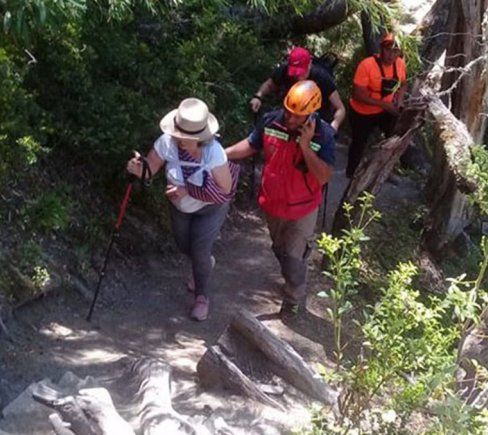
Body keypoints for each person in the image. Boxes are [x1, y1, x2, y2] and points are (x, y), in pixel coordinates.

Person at [227, 80, 335, 315]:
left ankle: (294, 298)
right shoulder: (271, 120)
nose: (290, 118)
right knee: (279, 250)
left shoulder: (323, 135)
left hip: (302, 210)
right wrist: (222, 155)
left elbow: (324, 176)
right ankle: (290, 279)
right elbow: (251, 144)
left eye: (297, 115)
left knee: (294, 258)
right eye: (288, 111)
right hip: (273, 203)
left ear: (311, 113)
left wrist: (306, 146)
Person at [126, 98, 238, 321]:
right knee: (183, 245)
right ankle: (203, 264)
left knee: (199, 249)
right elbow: (149, 171)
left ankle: (201, 297)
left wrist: (186, 189)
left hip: (211, 207)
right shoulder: (166, 143)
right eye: (178, 134)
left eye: (186, 138)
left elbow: (225, 187)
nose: (179, 139)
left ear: (200, 138)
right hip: (180, 208)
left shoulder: (214, 152)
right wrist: (137, 170)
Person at [346, 32, 408, 177]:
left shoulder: (399, 64)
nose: (391, 55)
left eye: (395, 50)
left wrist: (400, 100)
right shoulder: (367, 65)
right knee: (358, 143)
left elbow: (404, 84)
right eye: (388, 49)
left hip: (385, 110)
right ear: (381, 49)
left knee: (393, 138)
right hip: (362, 112)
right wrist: (385, 105)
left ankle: (384, 171)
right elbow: (357, 95)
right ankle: (351, 172)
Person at [249, 46, 346, 132]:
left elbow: (340, 109)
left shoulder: (322, 78)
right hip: (290, 116)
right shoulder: (284, 70)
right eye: (294, 73)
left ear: (309, 64)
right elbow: (270, 84)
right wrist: (258, 96)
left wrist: (333, 126)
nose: (298, 77)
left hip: (315, 120)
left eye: (301, 73)